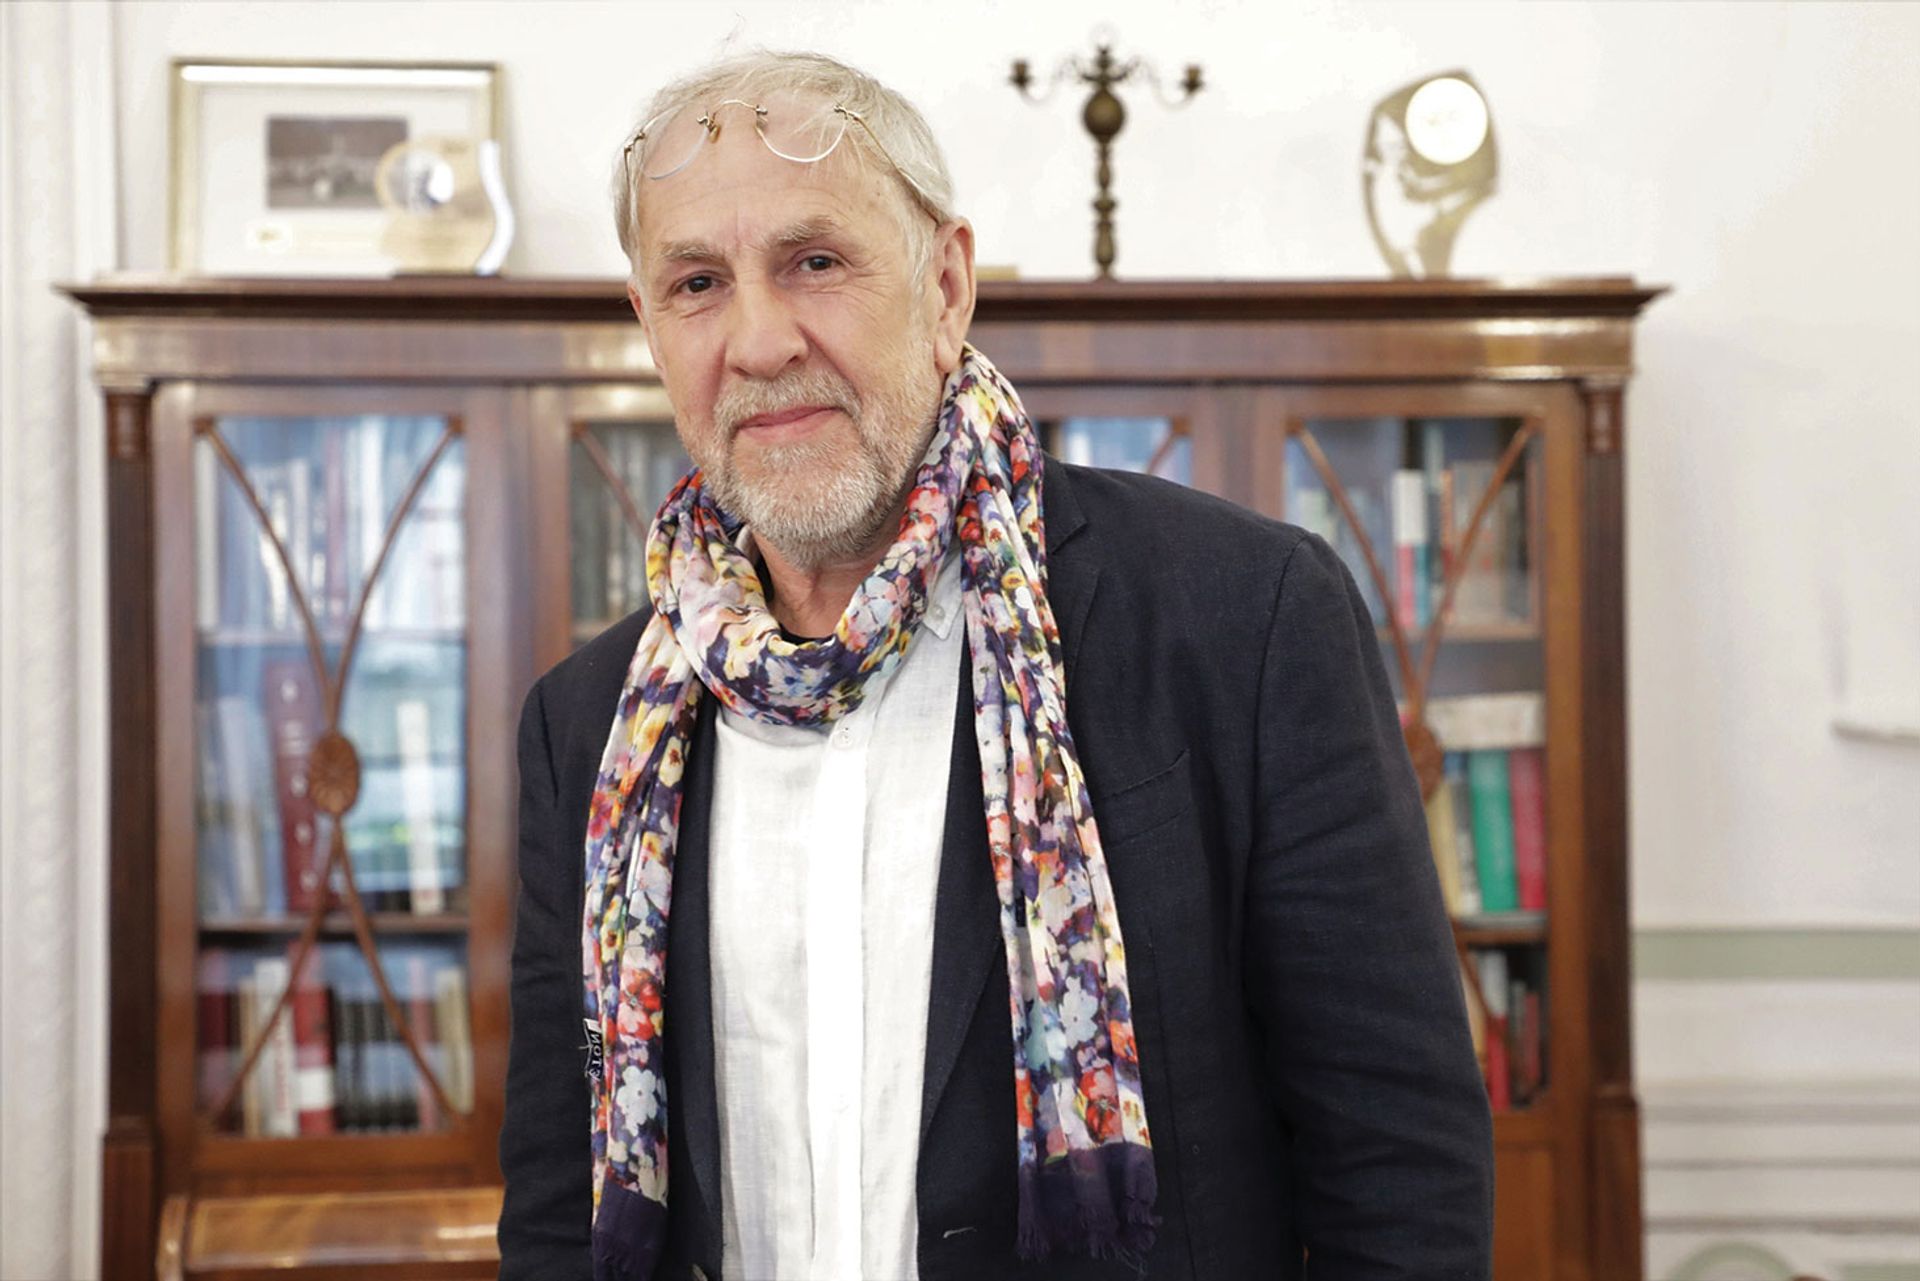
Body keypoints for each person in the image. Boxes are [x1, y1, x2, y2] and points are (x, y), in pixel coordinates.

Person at [498, 50, 1493, 1281]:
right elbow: (560, 1207)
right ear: (649, 329)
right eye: (697, 283)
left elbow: (1400, 1173)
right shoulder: (587, 728)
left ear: (947, 285)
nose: (758, 340)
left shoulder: (1243, 618)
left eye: (816, 262)